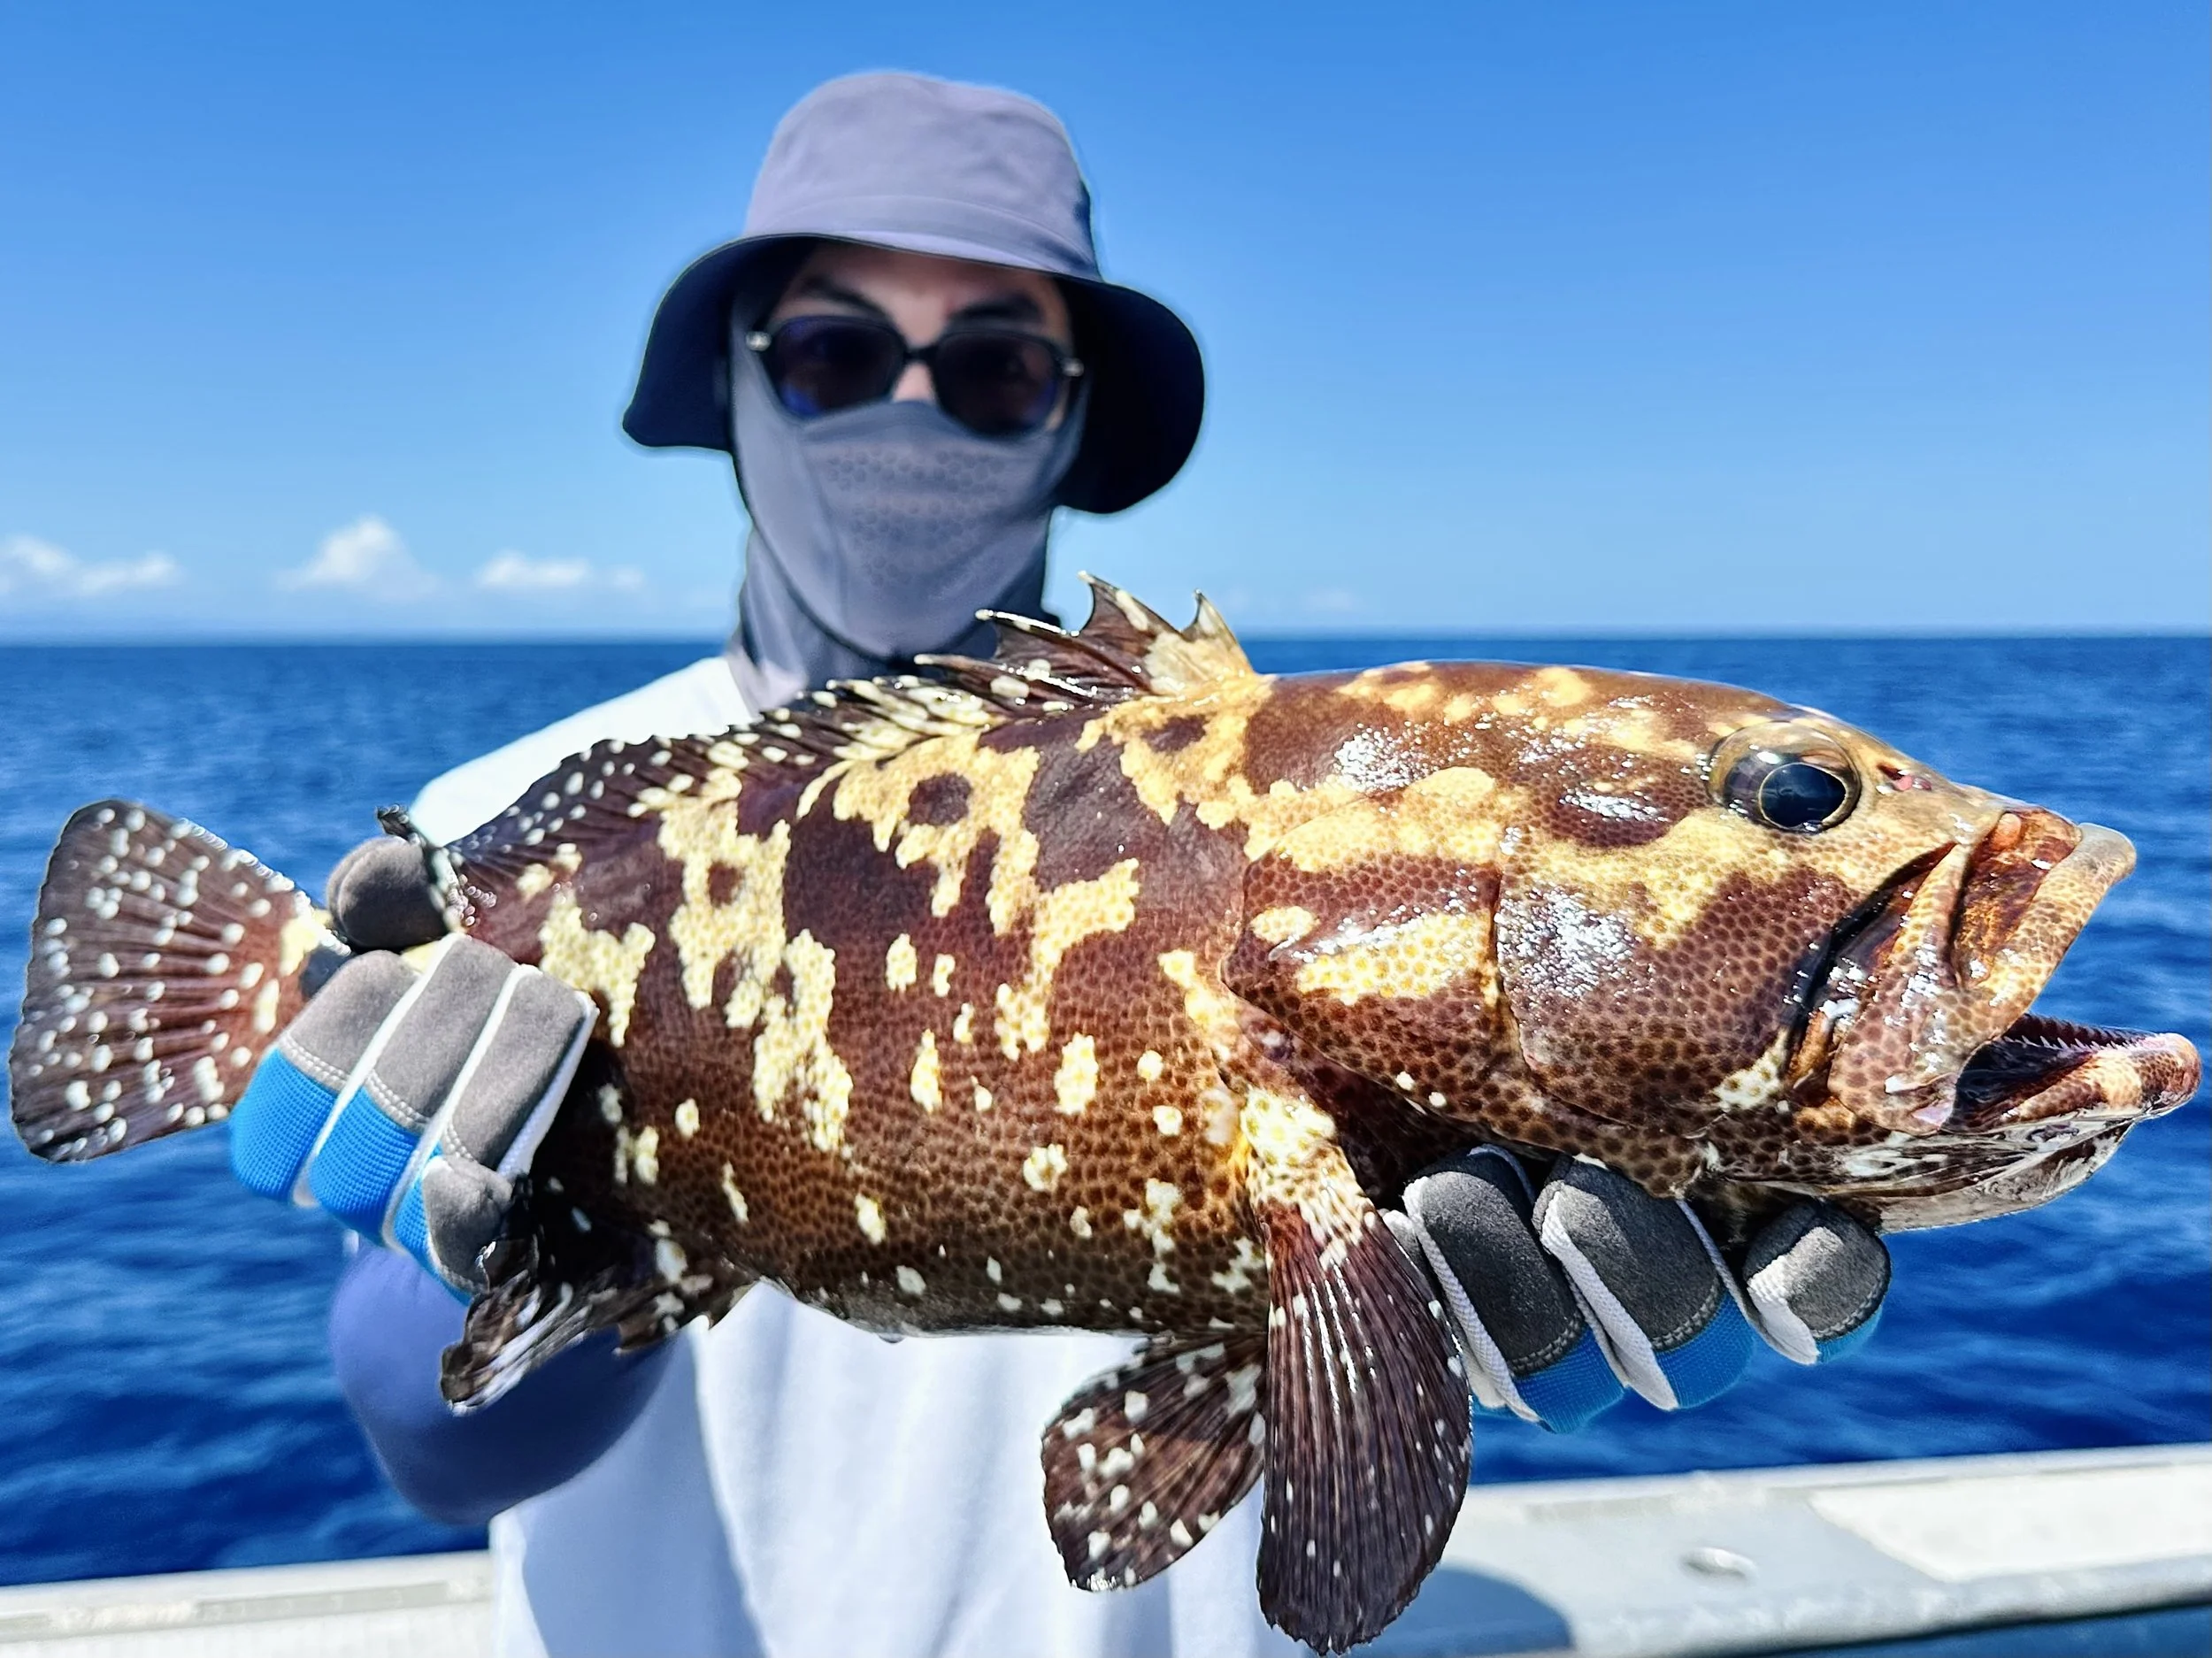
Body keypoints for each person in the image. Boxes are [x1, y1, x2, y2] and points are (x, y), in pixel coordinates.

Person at [227, 73, 1891, 1658]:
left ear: (1073, 415)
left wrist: (1541, 1259)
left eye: (995, 369)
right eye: (830, 351)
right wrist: (477, 1285)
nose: (908, 405)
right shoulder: (512, 815)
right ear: (731, 384)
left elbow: (1374, 1265)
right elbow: (441, 1465)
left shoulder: (1302, 806)